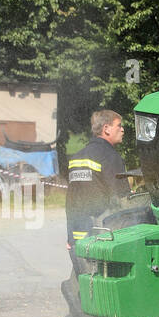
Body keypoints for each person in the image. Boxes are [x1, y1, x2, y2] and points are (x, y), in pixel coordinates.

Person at [66, 109, 129, 268]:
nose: (122, 130)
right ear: (106, 129)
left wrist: (70, 236)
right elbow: (121, 198)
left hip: (78, 234)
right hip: (102, 236)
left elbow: (71, 200)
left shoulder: (76, 157)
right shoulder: (110, 157)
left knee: (84, 284)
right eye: (119, 126)